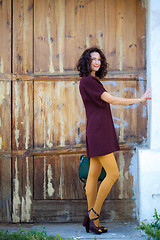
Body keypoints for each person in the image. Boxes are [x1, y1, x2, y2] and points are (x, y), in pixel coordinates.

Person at [76, 47, 151, 235]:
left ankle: (93, 221)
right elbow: (112, 100)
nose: (97, 62)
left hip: (96, 130)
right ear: (86, 61)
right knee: (113, 173)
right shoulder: (89, 82)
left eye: (99, 59)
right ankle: (93, 214)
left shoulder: (90, 81)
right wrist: (139, 99)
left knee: (93, 173)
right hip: (99, 132)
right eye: (93, 59)